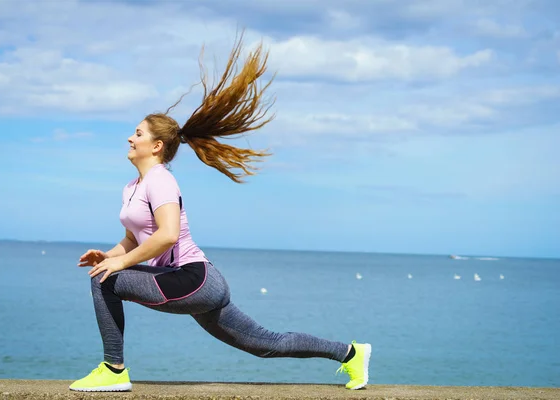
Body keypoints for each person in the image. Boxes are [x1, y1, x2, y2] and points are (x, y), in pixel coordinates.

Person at [69, 35, 372, 392]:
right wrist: (111, 255)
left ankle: (114, 370)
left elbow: (167, 235)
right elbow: (136, 238)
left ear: (156, 146)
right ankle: (352, 354)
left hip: (192, 278)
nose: (129, 139)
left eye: (137, 134)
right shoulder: (132, 187)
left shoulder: (161, 181)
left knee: (103, 280)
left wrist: (118, 266)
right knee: (265, 344)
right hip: (195, 282)